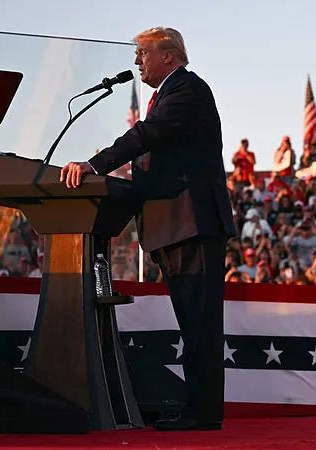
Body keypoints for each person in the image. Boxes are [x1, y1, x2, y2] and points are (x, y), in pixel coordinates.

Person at [60, 26, 235, 431]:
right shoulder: (169, 93)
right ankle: (198, 407)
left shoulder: (187, 90)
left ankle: (204, 412)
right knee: (191, 321)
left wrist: (94, 165)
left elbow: (148, 135)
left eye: (142, 53)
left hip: (192, 223)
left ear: (168, 56)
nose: (137, 61)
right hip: (174, 224)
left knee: (199, 322)